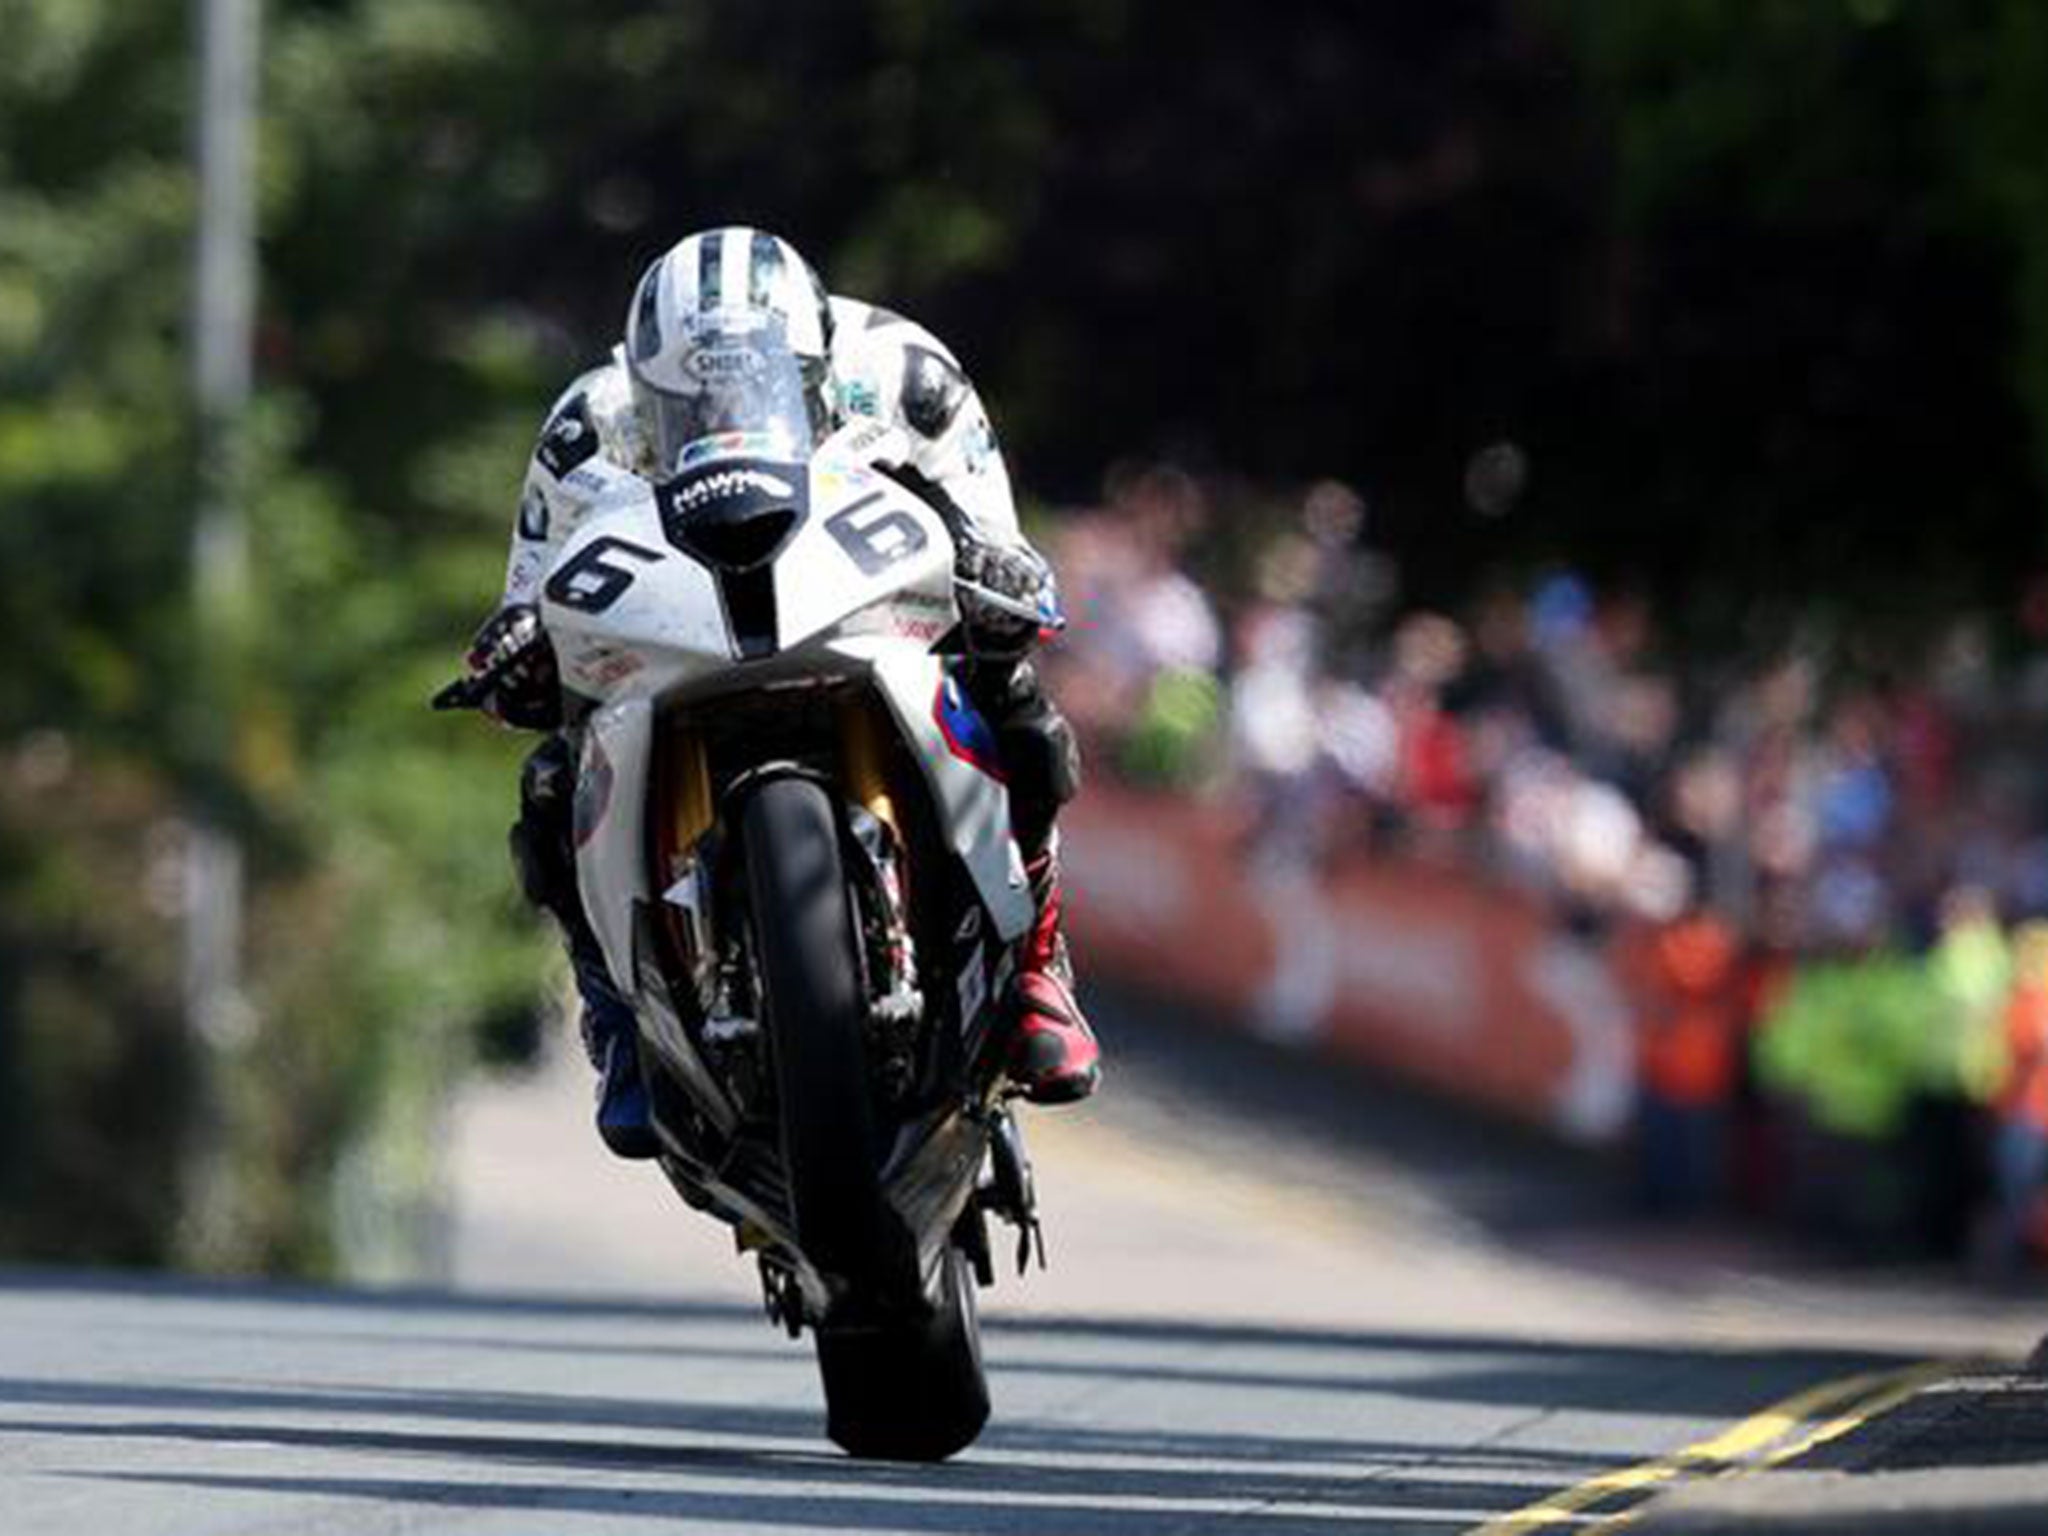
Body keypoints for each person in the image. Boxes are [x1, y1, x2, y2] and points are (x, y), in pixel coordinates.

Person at [453, 226, 1100, 1158]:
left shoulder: (908, 376)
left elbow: (996, 532)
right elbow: (529, 593)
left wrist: (1001, 575)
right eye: (687, 398)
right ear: (644, 381)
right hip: (684, 638)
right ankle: (618, 1024)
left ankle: (1039, 967)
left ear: (819, 359)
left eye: (761, 382)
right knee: (551, 784)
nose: (721, 410)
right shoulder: (586, 428)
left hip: (867, 612)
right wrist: (513, 647)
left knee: (1020, 711)